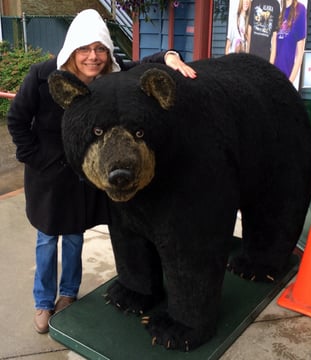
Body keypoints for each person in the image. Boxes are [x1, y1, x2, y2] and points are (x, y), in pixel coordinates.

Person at [7, 8, 196, 335]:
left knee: (76, 236)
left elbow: (141, 65)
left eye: (100, 49)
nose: (93, 57)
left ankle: (68, 294)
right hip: (49, 174)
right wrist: (36, 158)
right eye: (85, 48)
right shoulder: (41, 77)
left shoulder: (109, 78)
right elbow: (17, 121)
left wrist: (169, 55)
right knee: (48, 238)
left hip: (87, 173)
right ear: (72, 49)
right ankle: (43, 300)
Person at [274, 0, 307, 84]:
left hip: (286, 76)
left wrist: (289, 83)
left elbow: (300, 54)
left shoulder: (300, 9)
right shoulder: (279, 10)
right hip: (272, 74)